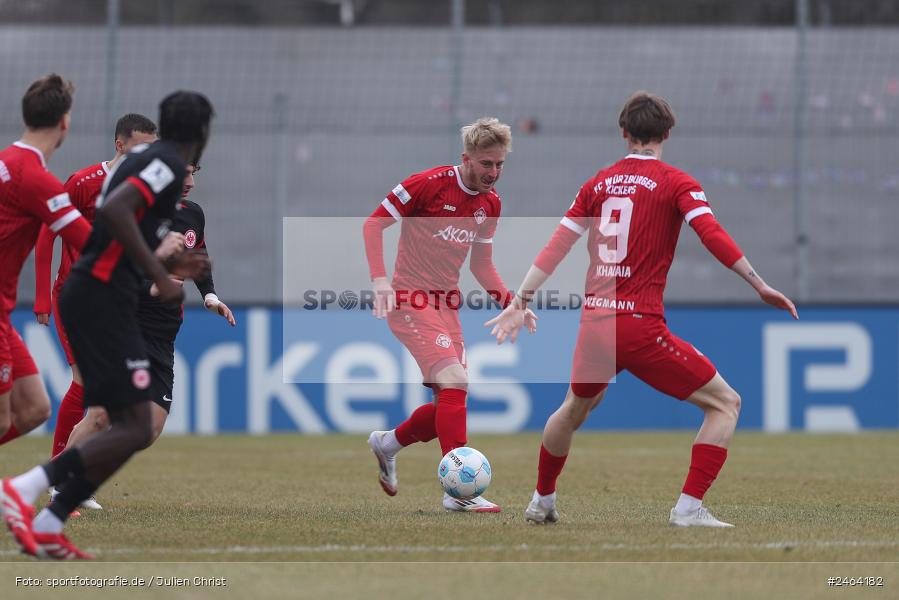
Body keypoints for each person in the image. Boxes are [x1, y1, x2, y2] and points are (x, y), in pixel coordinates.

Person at [486, 91, 798, 528]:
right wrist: (759, 282)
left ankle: (541, 500)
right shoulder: (677, 182)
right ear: (667, 132)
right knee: (726, 404)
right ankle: (688, 509)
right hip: (637, 324)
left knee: (574, 408)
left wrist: (520, 301)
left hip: (594, 321)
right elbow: (710, 232)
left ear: (624, 133)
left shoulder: (596, 184)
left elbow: (557, 246)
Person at [0, 90, 214, 560]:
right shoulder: (168, 164)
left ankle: (49, 520)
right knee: (125, 421)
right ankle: (25, 489)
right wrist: (161, 274)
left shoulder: (149, 163)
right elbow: (116, 213)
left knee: (138, 426)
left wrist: (168, 255)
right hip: (101, 297)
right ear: (200, 132)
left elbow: (126, 216)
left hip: (101, 294)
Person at [363, 117, 535, 513]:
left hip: (446, 307)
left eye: (500, 165)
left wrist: (513, 303)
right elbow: (374, 225)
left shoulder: (491, 204)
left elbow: (482, 267)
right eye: (487, 164)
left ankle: (387, 443)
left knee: (448, 402)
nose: (494, 173)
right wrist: (380, 281)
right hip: (409, 300)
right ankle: (460, 493)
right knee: (456, 381)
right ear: (467, 158)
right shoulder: (426, 184)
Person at [60, 161, 236, 458]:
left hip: (162, 334)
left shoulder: (193, 213)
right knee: (102, 415)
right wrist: (151, 286)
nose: (191, 182)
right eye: (185, 173)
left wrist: (210, 297)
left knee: (148, 430)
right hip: (125, 326)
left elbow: (198, 257)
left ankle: (59, 473)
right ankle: (56, 483)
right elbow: (110, 272)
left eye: (194, 173)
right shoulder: (135, 215)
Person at [34, 114, 158, 484]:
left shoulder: (147, 189)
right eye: (140, 147)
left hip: (114, 303)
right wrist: (42, 296)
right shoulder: (84, 182)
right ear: (120, 145)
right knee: (86, 384)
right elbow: (47, 233)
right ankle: (59, 478)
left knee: (107, 399)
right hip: (75, 299)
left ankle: (74, 476)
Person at [0, 74, 91, 454]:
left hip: (3, 314)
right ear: (64, 122)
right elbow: (91, 243)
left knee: (35, 408)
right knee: (3, 419)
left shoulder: (7, 159)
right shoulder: (35, 178)